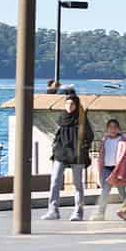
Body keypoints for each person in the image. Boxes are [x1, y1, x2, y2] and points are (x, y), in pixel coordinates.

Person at [47, 88, 93, 222]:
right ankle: (53, 210)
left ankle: (78, 212)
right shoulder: (62, 117)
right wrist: (56, 148)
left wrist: (83, 148)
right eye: (67, 104)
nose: (69, 106)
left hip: (76, 154)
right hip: (61, 152)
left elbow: (89, 136)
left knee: (77, 184)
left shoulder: (82, 119)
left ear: (77, 105)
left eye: (72, 104)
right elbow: (58, 134)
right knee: (54, 181)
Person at [95, 116, 126, 218]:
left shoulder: (123, 140)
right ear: (107, 129)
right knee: (105, 191)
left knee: (122, 192)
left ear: (118, 129)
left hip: (118, 169)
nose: (112, 129)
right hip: (107, 168)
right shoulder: (104, 140)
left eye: (115, 127)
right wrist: (99, 170)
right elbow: (101, 155)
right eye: (110, 127)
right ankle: (100, 213)